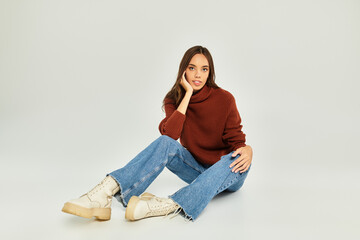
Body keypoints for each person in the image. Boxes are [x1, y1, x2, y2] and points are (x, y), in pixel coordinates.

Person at [61, 45, 253, 222]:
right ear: (183, 70)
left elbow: (236, 140)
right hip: (196, 170)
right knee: (164, 143)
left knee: (234, 158)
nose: (198, 75)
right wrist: (186, 95)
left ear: (210, 72)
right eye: (192, 68)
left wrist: (247, 150)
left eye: (204, 69)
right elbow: (170, 135)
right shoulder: (173, 99)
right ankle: (104, 192)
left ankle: (167, 205)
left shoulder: (225, 99)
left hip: (228, 173)